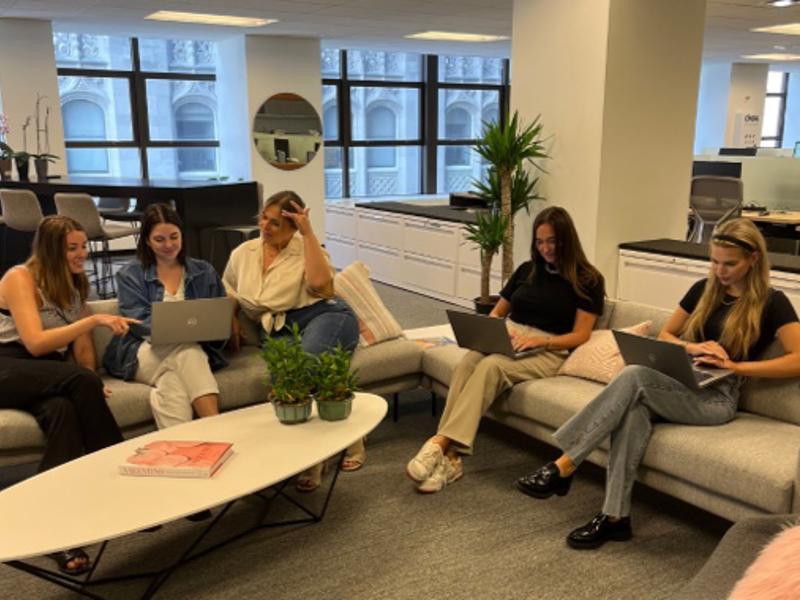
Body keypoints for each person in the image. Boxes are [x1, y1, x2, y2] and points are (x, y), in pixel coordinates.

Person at [517, 218, 800, 549]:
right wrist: (692, 347)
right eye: (715, 261)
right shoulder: (703, 291)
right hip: (681, 383)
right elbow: (666, 334)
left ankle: (564, 463)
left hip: (716, 399)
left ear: (753, 260)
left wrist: (736, 365)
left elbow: (797, 358)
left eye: (730, 264)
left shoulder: (772, 302)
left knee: (634, 376)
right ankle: (614, 518)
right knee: (633, 409)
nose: (720, 271)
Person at [406, 206, 605, 493]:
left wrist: (542, 341)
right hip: (512, 337)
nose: (546, 248)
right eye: (540, 242)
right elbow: (498, 313)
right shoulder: (527, 270)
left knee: (492, 367)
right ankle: (450, 459)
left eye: (552, 241)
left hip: (551, 349)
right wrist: (491, 333)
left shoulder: (588, 279)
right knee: (468, 361)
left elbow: (581, 335)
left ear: (567, 239)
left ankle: (439, 443)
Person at [0, 215, 134, 575]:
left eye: (82, 246)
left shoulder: (74, 286)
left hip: (45, 374)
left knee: (63, 410)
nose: (81, 254)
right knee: (75, 386)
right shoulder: (19, 278)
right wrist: (91, 323)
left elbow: (82, 348)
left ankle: (55, 534)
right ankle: (120, 480)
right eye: (72, 248)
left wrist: (89, 380)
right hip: (7, 366)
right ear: (50, 251)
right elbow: (35, 342)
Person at [223, 190, 360, 491]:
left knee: (304, 369)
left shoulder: (306, 248)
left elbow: (321, 286)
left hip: (323, 315)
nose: (265, 226)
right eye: (264, 218)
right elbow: (230, 289)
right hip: (277, 327)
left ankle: (315, 459)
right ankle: (348, 435)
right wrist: (232, 315)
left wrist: (308, 232)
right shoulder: (243, 253)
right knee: (282, 382)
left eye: (275, 224)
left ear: (293, 227)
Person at [103, 203, 231, 430]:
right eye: (159, 240)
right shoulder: (131, 275)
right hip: (141, 351)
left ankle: (184, 452)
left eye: (174, 237)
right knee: (186, 350)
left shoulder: (204, 271)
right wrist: (182, 334)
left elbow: (218, 315)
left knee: (171, 383)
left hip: (190, 354)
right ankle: (216, 428)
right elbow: (138, 323)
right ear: (147, 241)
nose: (169, 245)